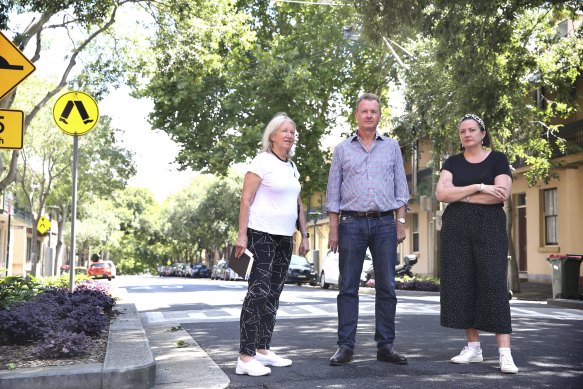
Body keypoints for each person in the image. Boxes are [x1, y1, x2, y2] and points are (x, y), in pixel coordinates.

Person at [326, 93, 410, 366]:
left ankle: (385, 346)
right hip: (351, 224)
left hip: (386, 223)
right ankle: (345, 346)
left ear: (379, 115)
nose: (369, 116)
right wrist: (334, 230)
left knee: (387, 287)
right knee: (348, 287)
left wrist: (400, 222)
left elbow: (401, 188)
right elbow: (333, 194)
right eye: (364, 111)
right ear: (356, 115)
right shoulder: (342, 149)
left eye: (374, 111)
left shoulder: (392, 147)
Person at [435, 114, 517, 374]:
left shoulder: (497, 159)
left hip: (489, 226)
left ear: (483, 133)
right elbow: (441, 194)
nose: (467, 134)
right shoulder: (452, 162)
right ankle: (474, 348)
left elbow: (501, 194)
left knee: (493, 282)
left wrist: (462, 195)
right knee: (462, 283)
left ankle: (505, 353)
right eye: (462, 131)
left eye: (472, 130)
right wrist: (479, 187)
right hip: (456, 228)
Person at [234, 112, 310, 376]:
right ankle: (245, 357)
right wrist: (242, 235)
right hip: (260, 234)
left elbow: (299, 204)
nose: (290, 135)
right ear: (273, 135)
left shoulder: (291, 166)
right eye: (285, 130)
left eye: (292, 131)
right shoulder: (261, 161)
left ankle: (263, 350)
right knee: (258, 292)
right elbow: (246, 199)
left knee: (273, 294)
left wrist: (305, 234)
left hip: (284, 238)